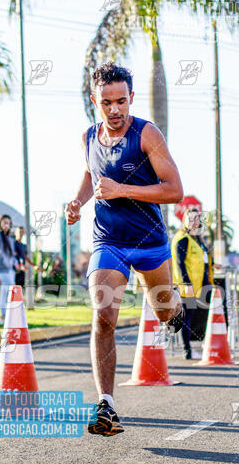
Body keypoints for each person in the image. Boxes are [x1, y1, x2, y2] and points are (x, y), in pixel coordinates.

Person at [65, 62, 184, 437]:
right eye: (106, 102)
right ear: (94, 101)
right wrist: (77, 202)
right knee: (103, 315)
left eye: (121, 101)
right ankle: (107, 406)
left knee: (164, 313)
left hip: (149, 243)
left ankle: (176, 308)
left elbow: (174, 190)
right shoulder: (87, 137)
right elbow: (90, 174)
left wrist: (122, 190)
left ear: (131, 98)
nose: (114, 110)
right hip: (109, 242)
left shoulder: (147, 134)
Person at [171, 208, 214, 359]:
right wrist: (186, 284)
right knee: (186, 317)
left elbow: (203, 260)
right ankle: (187, 350)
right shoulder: (183, 238)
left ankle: (189, 348)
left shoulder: (196, 239)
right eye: (191, 219)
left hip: (197, 286)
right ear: (185, 220)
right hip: (186, 286)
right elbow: (180, 263)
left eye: (197, 219)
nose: (195, 222)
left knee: (191, 316)